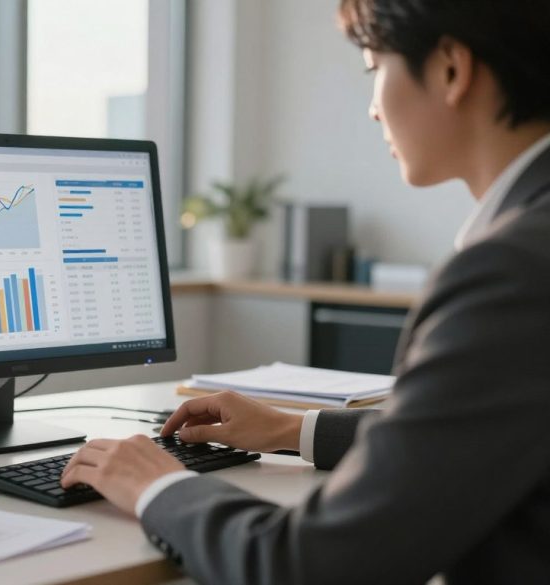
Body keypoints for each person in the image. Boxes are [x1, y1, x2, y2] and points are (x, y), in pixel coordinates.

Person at [60, 1, 550, 583]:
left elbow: (313, 564)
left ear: (450, 68)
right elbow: (478, 433)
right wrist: (292, 428)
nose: (372, 109)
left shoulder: (510, 272)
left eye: (374, 69)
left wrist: (157, 485)